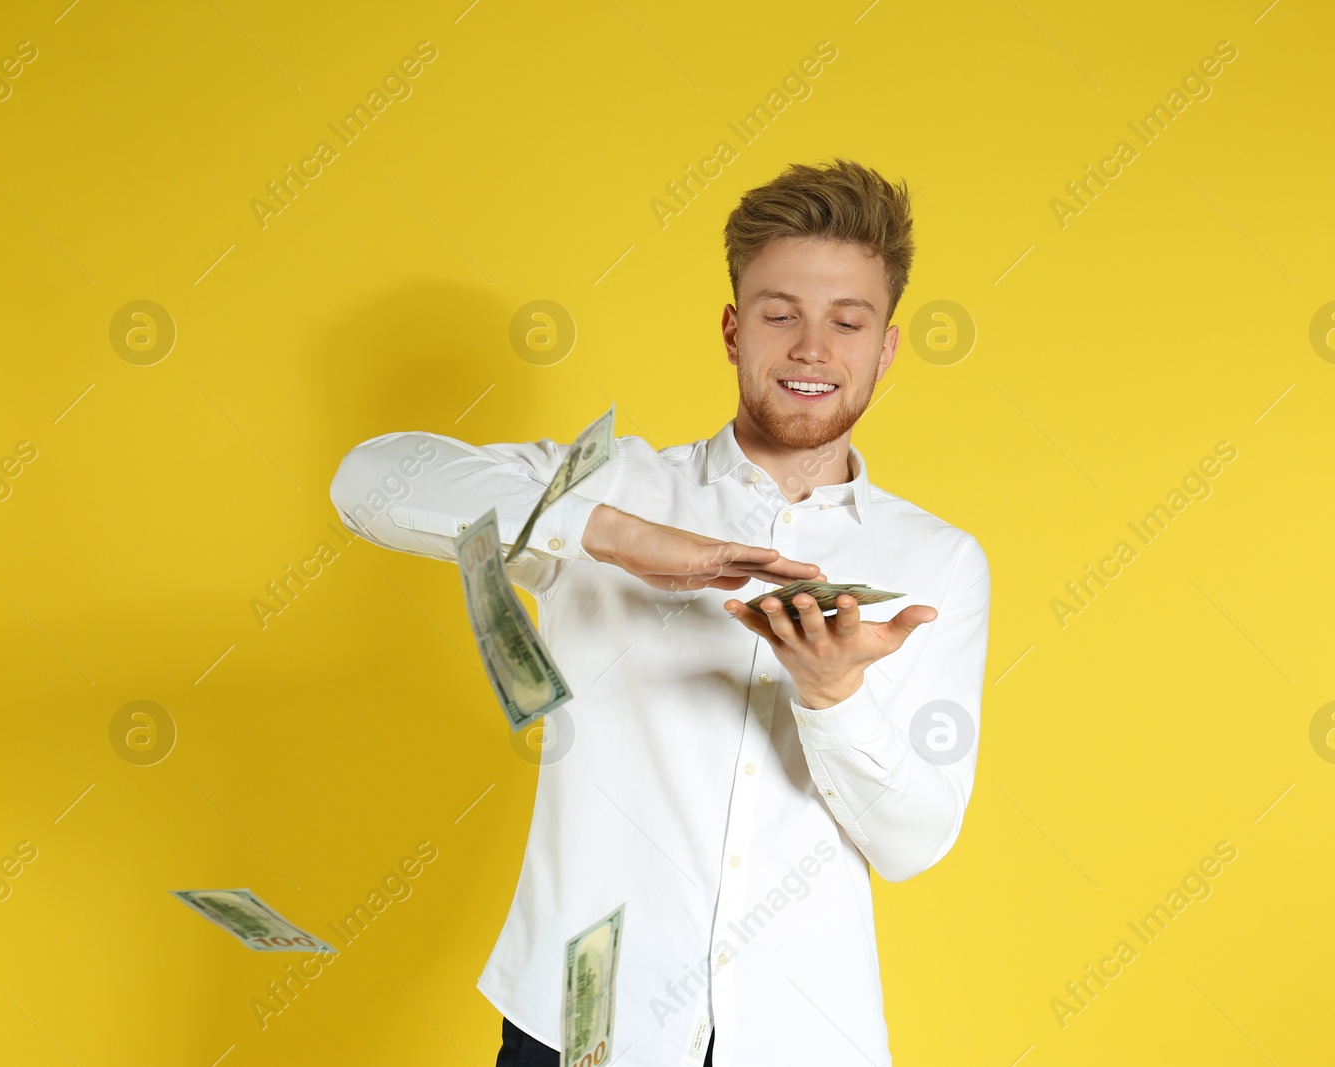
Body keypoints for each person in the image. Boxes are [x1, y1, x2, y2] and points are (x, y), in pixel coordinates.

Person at [329, 158, 992, 1066]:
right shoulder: (612, 486)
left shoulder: (940, 562)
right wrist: (604, 532)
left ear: (886, 347)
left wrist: (834, 695)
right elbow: (367, 480)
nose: (811, 348)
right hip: (579, 1024)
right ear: (732, 329)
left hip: (809, 1038)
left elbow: (914, 842)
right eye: (779, 313)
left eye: (848, 321)